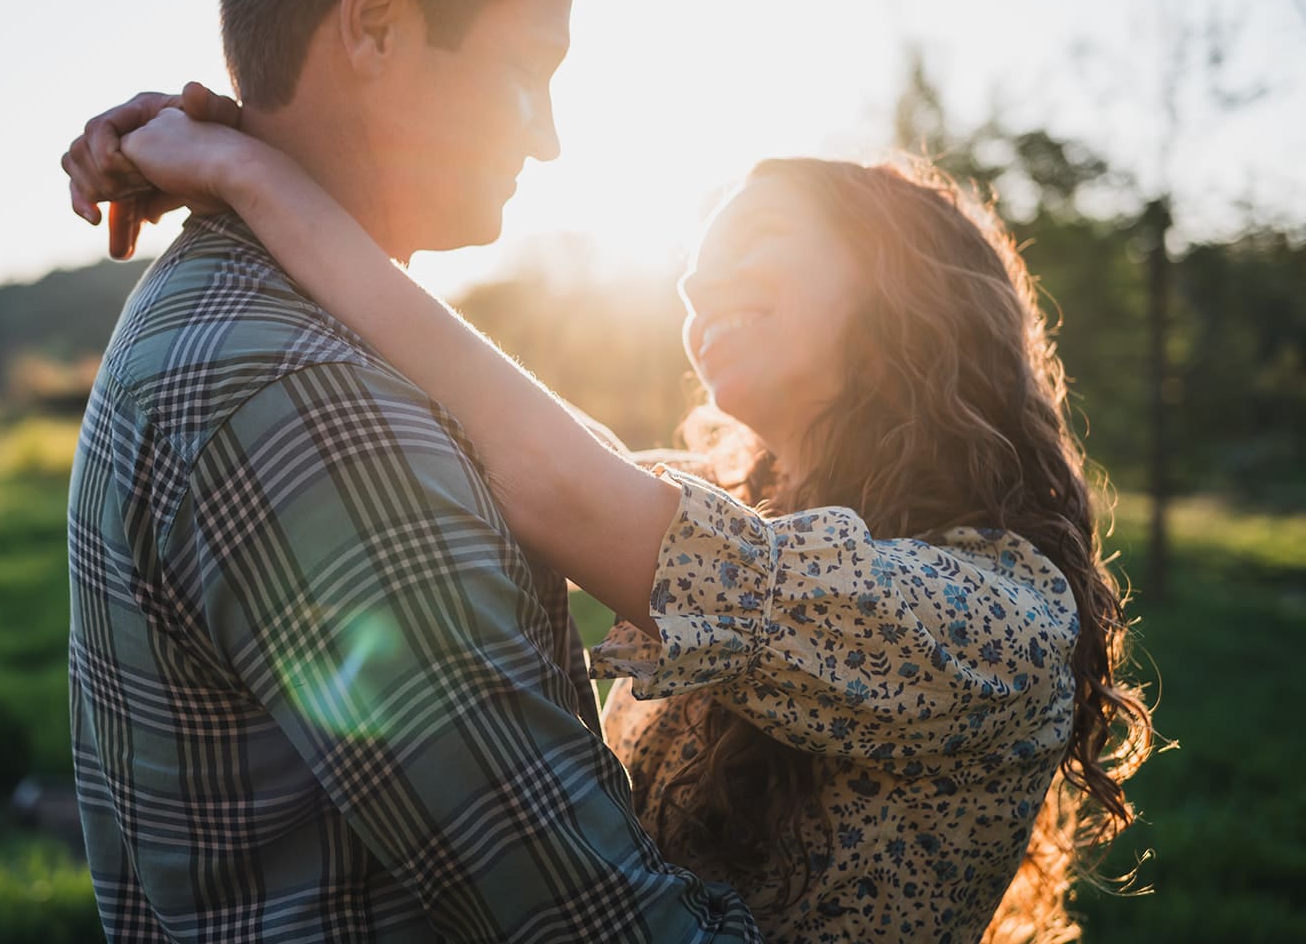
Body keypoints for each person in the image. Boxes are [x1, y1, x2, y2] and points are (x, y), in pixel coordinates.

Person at [65, 103, 1154, 943]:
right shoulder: (746, 512)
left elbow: (553, 478)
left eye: (757, 237)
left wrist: (255, 171)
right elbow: (492, 425)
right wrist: (261, 135)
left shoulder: (998, 623)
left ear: (898, 289)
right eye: (690, 261)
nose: (694, 278)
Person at [61, 0, 764, 942]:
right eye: (527, 68)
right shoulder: (307, 399)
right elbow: (596, 924)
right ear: (377, 23)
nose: (549, 139)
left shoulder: (251, 316)